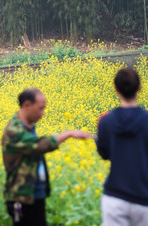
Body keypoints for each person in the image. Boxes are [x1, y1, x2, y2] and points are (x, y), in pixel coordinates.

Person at [2, 88, 93, 226]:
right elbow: (39, 145)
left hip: (35, 194)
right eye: (40, 109)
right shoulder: (14, 130)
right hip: (21, 198)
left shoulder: (28, 127)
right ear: (27, 105)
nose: (43, 113)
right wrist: (69, 134)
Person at [96, 68, 148, 226]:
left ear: (116, 89)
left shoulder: (105, 121)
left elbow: (104, 154)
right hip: (144, 194)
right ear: (139, 88)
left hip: (114, 193)